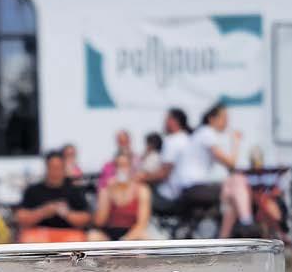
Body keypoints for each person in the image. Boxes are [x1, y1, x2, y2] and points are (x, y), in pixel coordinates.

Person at [170, 103, 257, 238]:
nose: (227, 122)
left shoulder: (201, 134)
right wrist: (236, 142)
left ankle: (226, 238)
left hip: (192, 186)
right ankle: (246, 222)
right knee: (237, 181)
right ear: (212, 119)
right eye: (224, 118)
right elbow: (230, 163)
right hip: (193, 187)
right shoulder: (207, 133)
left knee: (232, 193)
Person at [15, 150, 91, 243]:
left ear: (63, 168)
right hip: (40, 234)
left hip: (68, 234)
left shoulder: (74, 190)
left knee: (77, 240)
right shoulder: (33, 190)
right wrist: (43, 212)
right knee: (28, 239)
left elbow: (86, 219)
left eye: (58, 167)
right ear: (46, 167)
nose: (55, 171)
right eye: (52, 167)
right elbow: (21, 218)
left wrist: (66, 213)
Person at [140, 108, 191, 215]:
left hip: (169, 196)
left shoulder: (173, 141)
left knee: (139, 193)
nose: (164, 122)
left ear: (173, 121)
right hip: (183, 193)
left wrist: (140, 178)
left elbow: (163, 174)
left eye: (166, 119)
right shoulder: (187, 138)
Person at [89, 152, 151, 241]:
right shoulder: (107, 189)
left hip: (131, 232)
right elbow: (100, 221)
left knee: (143, 235)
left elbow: (142, 223)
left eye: (125, 165)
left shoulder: (142, 190)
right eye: (118, 166)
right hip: (109, 233)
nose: (121, 169)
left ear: (131, 167)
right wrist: (108, 192)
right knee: (93, 236)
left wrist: (124, 240)